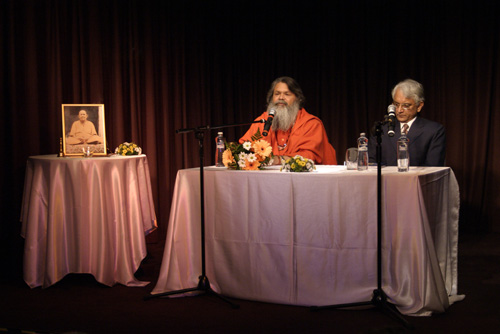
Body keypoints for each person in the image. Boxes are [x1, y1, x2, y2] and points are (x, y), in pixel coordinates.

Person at [239, 76, 337, 165]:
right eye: (277, 94)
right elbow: (245, 147)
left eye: (287, 94)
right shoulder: (262, 121)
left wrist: (278, 160)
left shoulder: (311, 123)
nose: (281, 97)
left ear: (297, 99)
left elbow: (309, 156)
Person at [368, 79, 446, 166]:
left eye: (406, 106)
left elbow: (433, 167)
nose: (399, 110)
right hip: (385, 179)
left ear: (419, 106)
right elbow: (371, 163)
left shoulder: (433, 131)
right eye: (396, 105)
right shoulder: (382, 129)